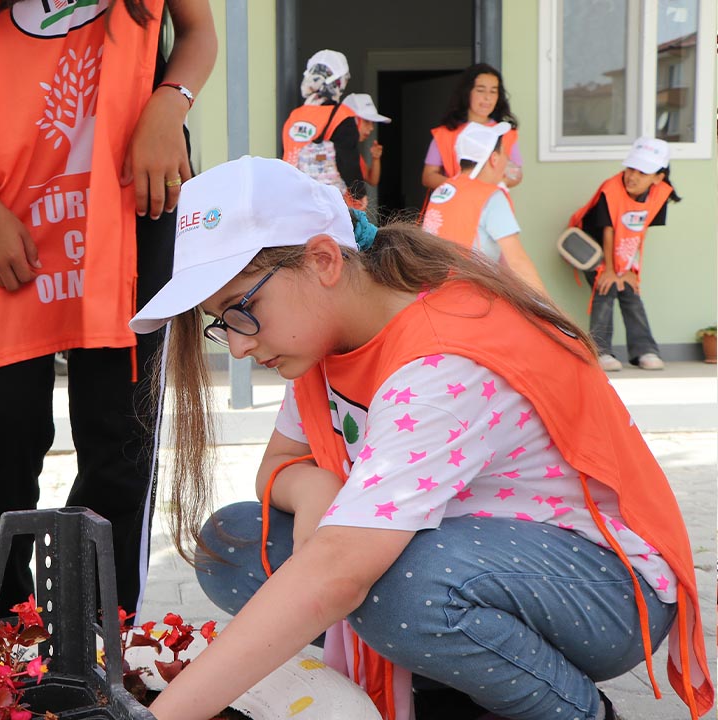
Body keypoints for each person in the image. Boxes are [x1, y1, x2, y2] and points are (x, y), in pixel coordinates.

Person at [127, 157, 712, 720]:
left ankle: (571, 708)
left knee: (390, 588)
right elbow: (278, 465)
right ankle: (453, 684)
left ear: (324, 259)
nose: (238, 346)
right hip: (480, 558)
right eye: (220, 321)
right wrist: (318, 491)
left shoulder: (442, 361)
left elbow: (340, 573)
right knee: (233, 542)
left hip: (605, 591)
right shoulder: (327, 336)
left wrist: (162, 716)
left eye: (241, 310)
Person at [0, 0, 216, 615]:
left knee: (119, 435)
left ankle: (101, 631)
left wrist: (170, 102)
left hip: (132, 203)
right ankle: (2, 634)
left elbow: (197, 31)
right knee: (5, 433)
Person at [569, 137, 680, 373]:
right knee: (606, 287)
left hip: (623, 250)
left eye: (642, 172)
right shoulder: (610, 190)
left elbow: (639, 232)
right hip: (591, 248)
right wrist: (611, 270)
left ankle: (645, 351)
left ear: (658, 178)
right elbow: (607, 231)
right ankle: (600, 352)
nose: (632, 176)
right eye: (630, 168)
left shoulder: (660, 195)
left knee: (630, 292)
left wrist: (628, 270)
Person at [420, 122, 546, 294]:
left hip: (434, 295)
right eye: (505, 155)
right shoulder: (490, 196)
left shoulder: (443, 190)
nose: (507, 162)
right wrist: (548, 310)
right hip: (470, 297)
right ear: (494, 159)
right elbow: (517, 262)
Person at [280, 50, 366, 208]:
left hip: (292, 198)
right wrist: (359, 194)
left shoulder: (294, 116)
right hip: (329, 202)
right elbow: (348, 161)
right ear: (338, 81)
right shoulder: (342, 116)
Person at [421, 63, 522, 192]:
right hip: (455, 205)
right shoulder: (445, 133)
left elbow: (516, 174)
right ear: (466, 93)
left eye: (493, 91)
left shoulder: (506, 133)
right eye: (480, 90)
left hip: (491, 203)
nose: (487, 97)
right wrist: (460, 187)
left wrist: (494, 185)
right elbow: (428, 176)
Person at [342, 92, 388, 187]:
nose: (371, 128)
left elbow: (372, 180)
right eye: (366, 121)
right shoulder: (331, 149)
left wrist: (375, 158)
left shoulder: (352, 150)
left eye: (372, 123)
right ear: (351, 120)